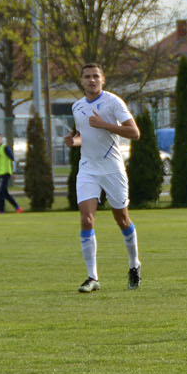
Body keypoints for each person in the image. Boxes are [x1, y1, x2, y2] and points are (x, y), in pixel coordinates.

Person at [62, 63, 142, 292]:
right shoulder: (76, 107)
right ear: (81, 81)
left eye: (95, 76)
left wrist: (104, 124)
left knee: (122, 219)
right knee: (87, 218)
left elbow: (134, 133)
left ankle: (134, 264)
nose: (91, 80)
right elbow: (82, 136)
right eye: (87, 77)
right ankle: (92, 277)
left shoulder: (113, 102)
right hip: (88, 168)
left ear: (103, 80)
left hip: (113, 168)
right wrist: (73, 141)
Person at [0, 133, 23, 213]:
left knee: (0, 191)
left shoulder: (5, 148)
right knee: (4, 193)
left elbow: (13, 160)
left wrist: (13, 172)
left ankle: (1, 210)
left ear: (1, 139)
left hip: (6, 173)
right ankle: (17, 207)